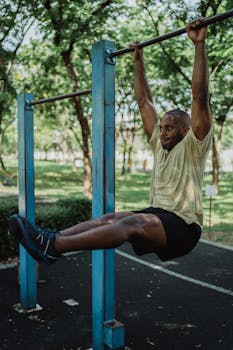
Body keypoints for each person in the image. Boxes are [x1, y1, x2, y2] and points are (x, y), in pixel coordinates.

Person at [9, 18, 212, 265]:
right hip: (159, 215)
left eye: (169, 128)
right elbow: (144, 102)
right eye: (161, 128)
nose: (163, 132)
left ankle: (55, 245)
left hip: (184, 226)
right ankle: (50, 239)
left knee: (131, 223)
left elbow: (199, 97)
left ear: (187, 129)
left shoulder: (194, 145)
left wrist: (199, 45)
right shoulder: (159, 145)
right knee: (111, 218)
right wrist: (138, 61)